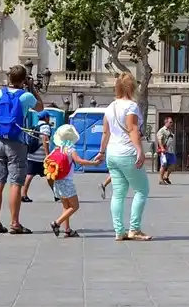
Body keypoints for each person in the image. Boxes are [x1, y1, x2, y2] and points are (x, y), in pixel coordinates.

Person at [100, 72, 151, 241]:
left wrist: (101, 152)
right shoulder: (131, 107)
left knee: (118, 194)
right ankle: (134, 229)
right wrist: (139, 150)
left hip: (112, 154)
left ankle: (118, 231)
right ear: (132, 87)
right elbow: (132, 129)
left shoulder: (110, 107)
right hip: (127, 152)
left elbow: (105, 132)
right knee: (142, 190)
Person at [0, 65, 38, 234]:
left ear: (8, 77)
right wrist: (31, 88)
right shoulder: (26, 96)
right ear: (24, 79)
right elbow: (40, 107)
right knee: (16, 184)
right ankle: (15, 223)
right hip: (17, 143)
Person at [44, 124, 97, 238]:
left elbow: (47, 159)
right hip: (67, 181)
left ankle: (67, 229)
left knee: (66, 206)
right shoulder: (70, 149)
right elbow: (79, 161)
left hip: (57, 180)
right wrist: (94, 163)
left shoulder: (57, 149)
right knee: (75, 206)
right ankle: (56, 223)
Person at [22, 101, 53, 203]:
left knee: (29, 175)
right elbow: (45, 139)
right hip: (41, 157)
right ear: (46, 118)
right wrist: (48, 154)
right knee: (50, 175)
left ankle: (23, 194)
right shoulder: (45, 127)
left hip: (31, 155)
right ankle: (57, 194)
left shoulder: (35, 126)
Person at [156, 116, 176, 186]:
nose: (172, 123)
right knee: (163, 165)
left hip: (171, 151)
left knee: (173, 165)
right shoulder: (162, 130)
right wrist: (162, 148)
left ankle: (166, 176)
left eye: (172, 122)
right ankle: (161, 180)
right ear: (166, 122)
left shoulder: (170, 130)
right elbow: (159, 140)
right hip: (164, 151)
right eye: (170, 122)